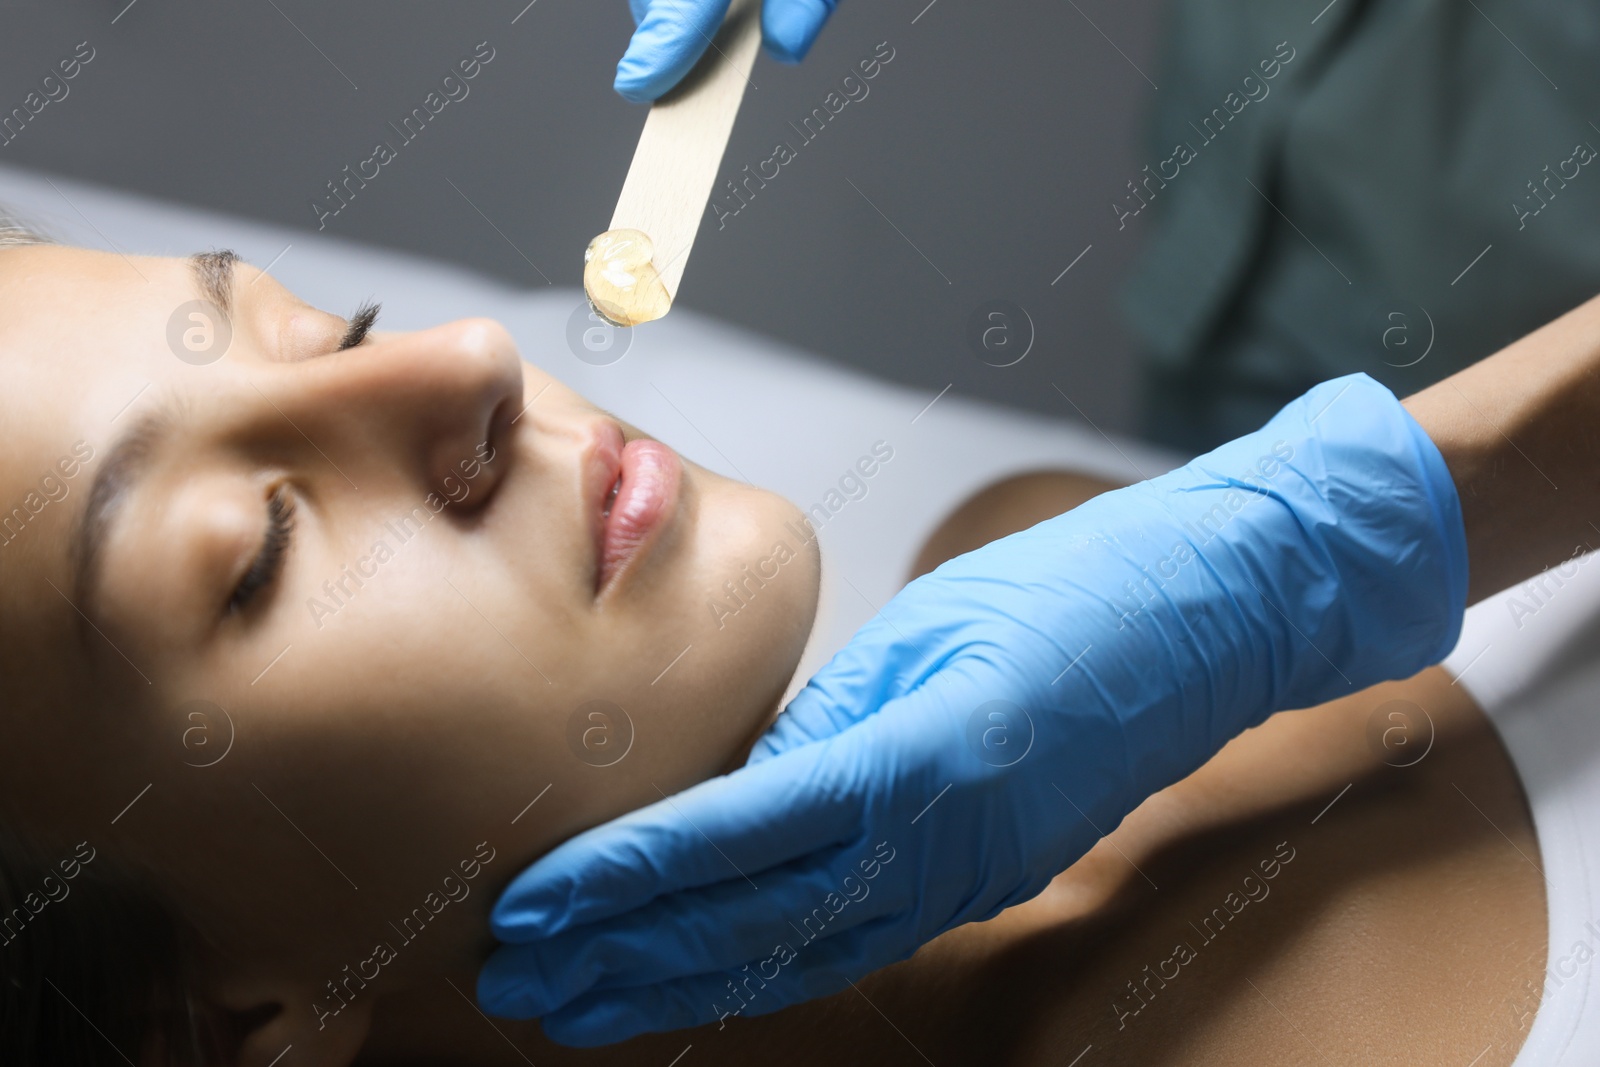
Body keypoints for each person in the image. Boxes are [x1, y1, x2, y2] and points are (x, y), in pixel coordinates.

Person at [0, 229, 1548, 1067]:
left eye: (333, 327)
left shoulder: (1032, 524)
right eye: (260, 551)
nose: (466, 360)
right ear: (213, 1024)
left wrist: (1377, 522)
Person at [476, 0, 1600, 1045]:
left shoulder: (1035, 529)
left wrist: (1309, 545)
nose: (469, 352)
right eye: (287, 542)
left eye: (356, 335)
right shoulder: (1055, 541)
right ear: (289, 1019)